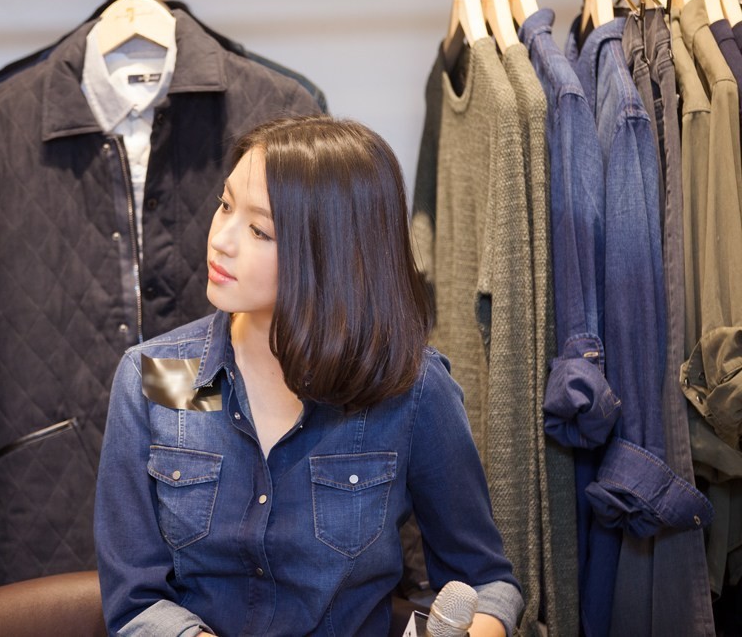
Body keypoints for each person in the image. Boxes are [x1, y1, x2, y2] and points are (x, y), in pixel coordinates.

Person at [94, 115, 523, 636]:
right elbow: (136, 599)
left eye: (260, 230)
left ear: (334, 251)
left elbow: (484, 582)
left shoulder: (407, 390)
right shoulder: (166, 375)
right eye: (225, 205)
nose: (221, 240)